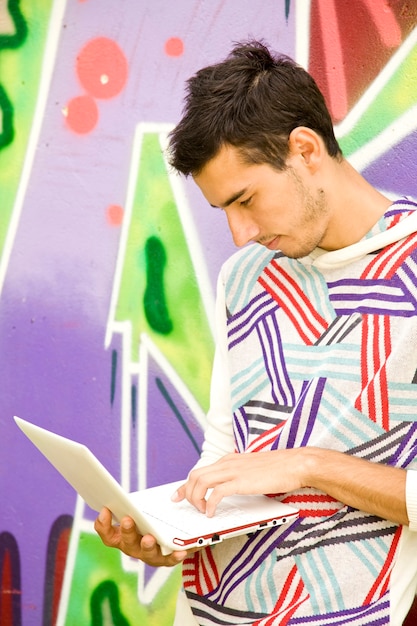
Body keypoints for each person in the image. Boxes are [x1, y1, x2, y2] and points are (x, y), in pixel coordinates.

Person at [95, 40, 417, 625]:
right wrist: (174, 536)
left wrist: (310, 466)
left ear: (304, 149)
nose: (239, 233)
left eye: (246, 200)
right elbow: (225, 456)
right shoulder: (244, 278)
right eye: (223, 210)